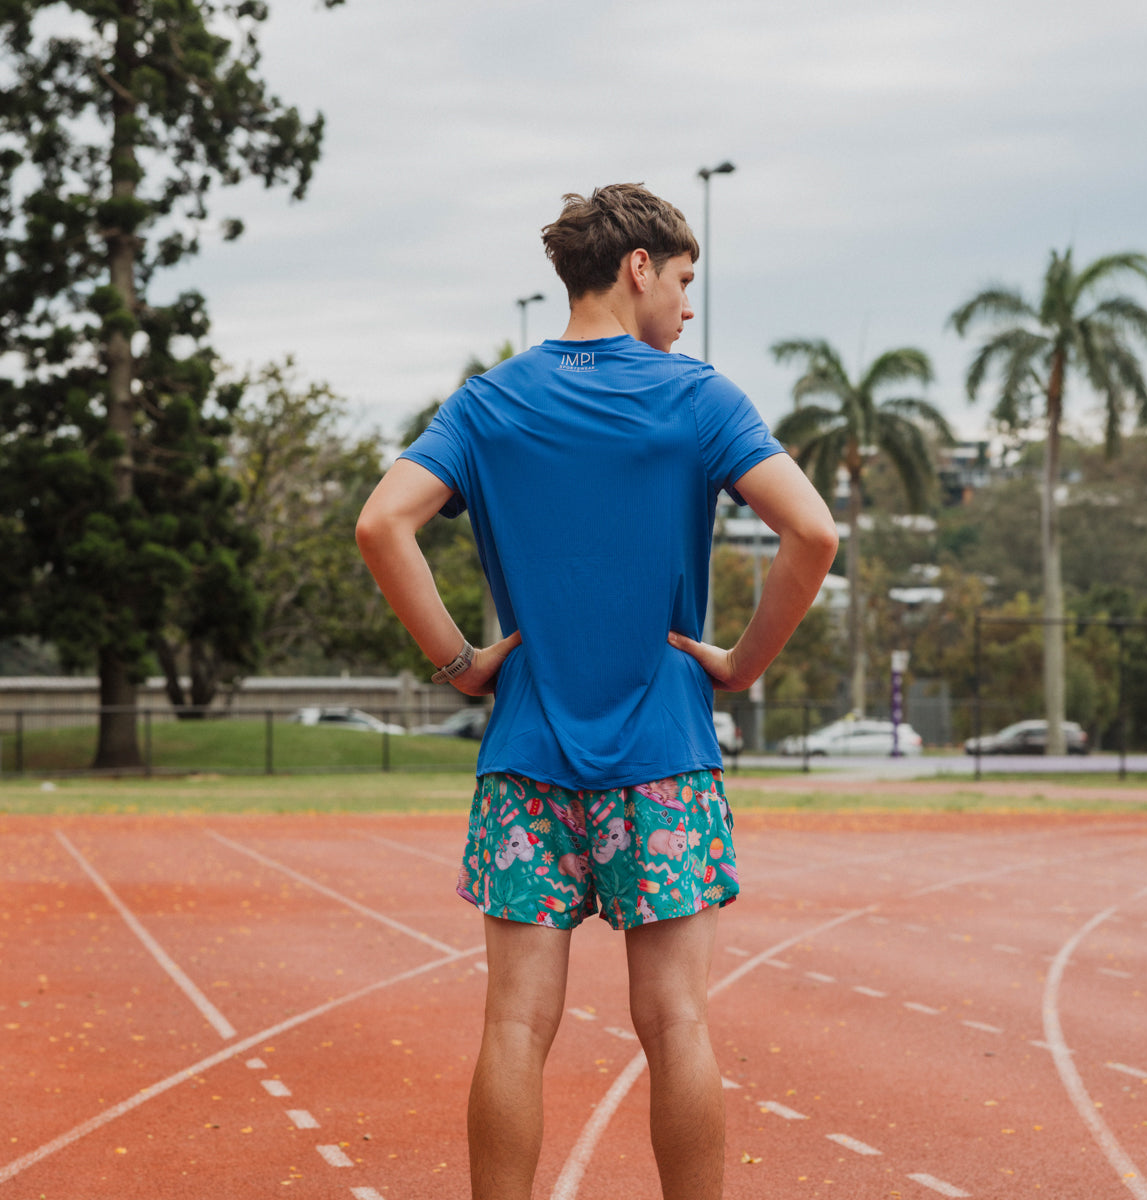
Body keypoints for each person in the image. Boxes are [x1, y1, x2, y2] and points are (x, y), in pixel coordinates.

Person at [356, 183, 839, 1200]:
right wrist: (742, 665)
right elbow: (815, 532)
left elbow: (382, 524)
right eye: (683, 280)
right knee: (677, 1025)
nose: (688, 305)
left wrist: (462, 663)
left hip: (526, 756)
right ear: (636, 269)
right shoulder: (698, 396)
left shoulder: (489, 403)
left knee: (515, 1028)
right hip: (665, 755)